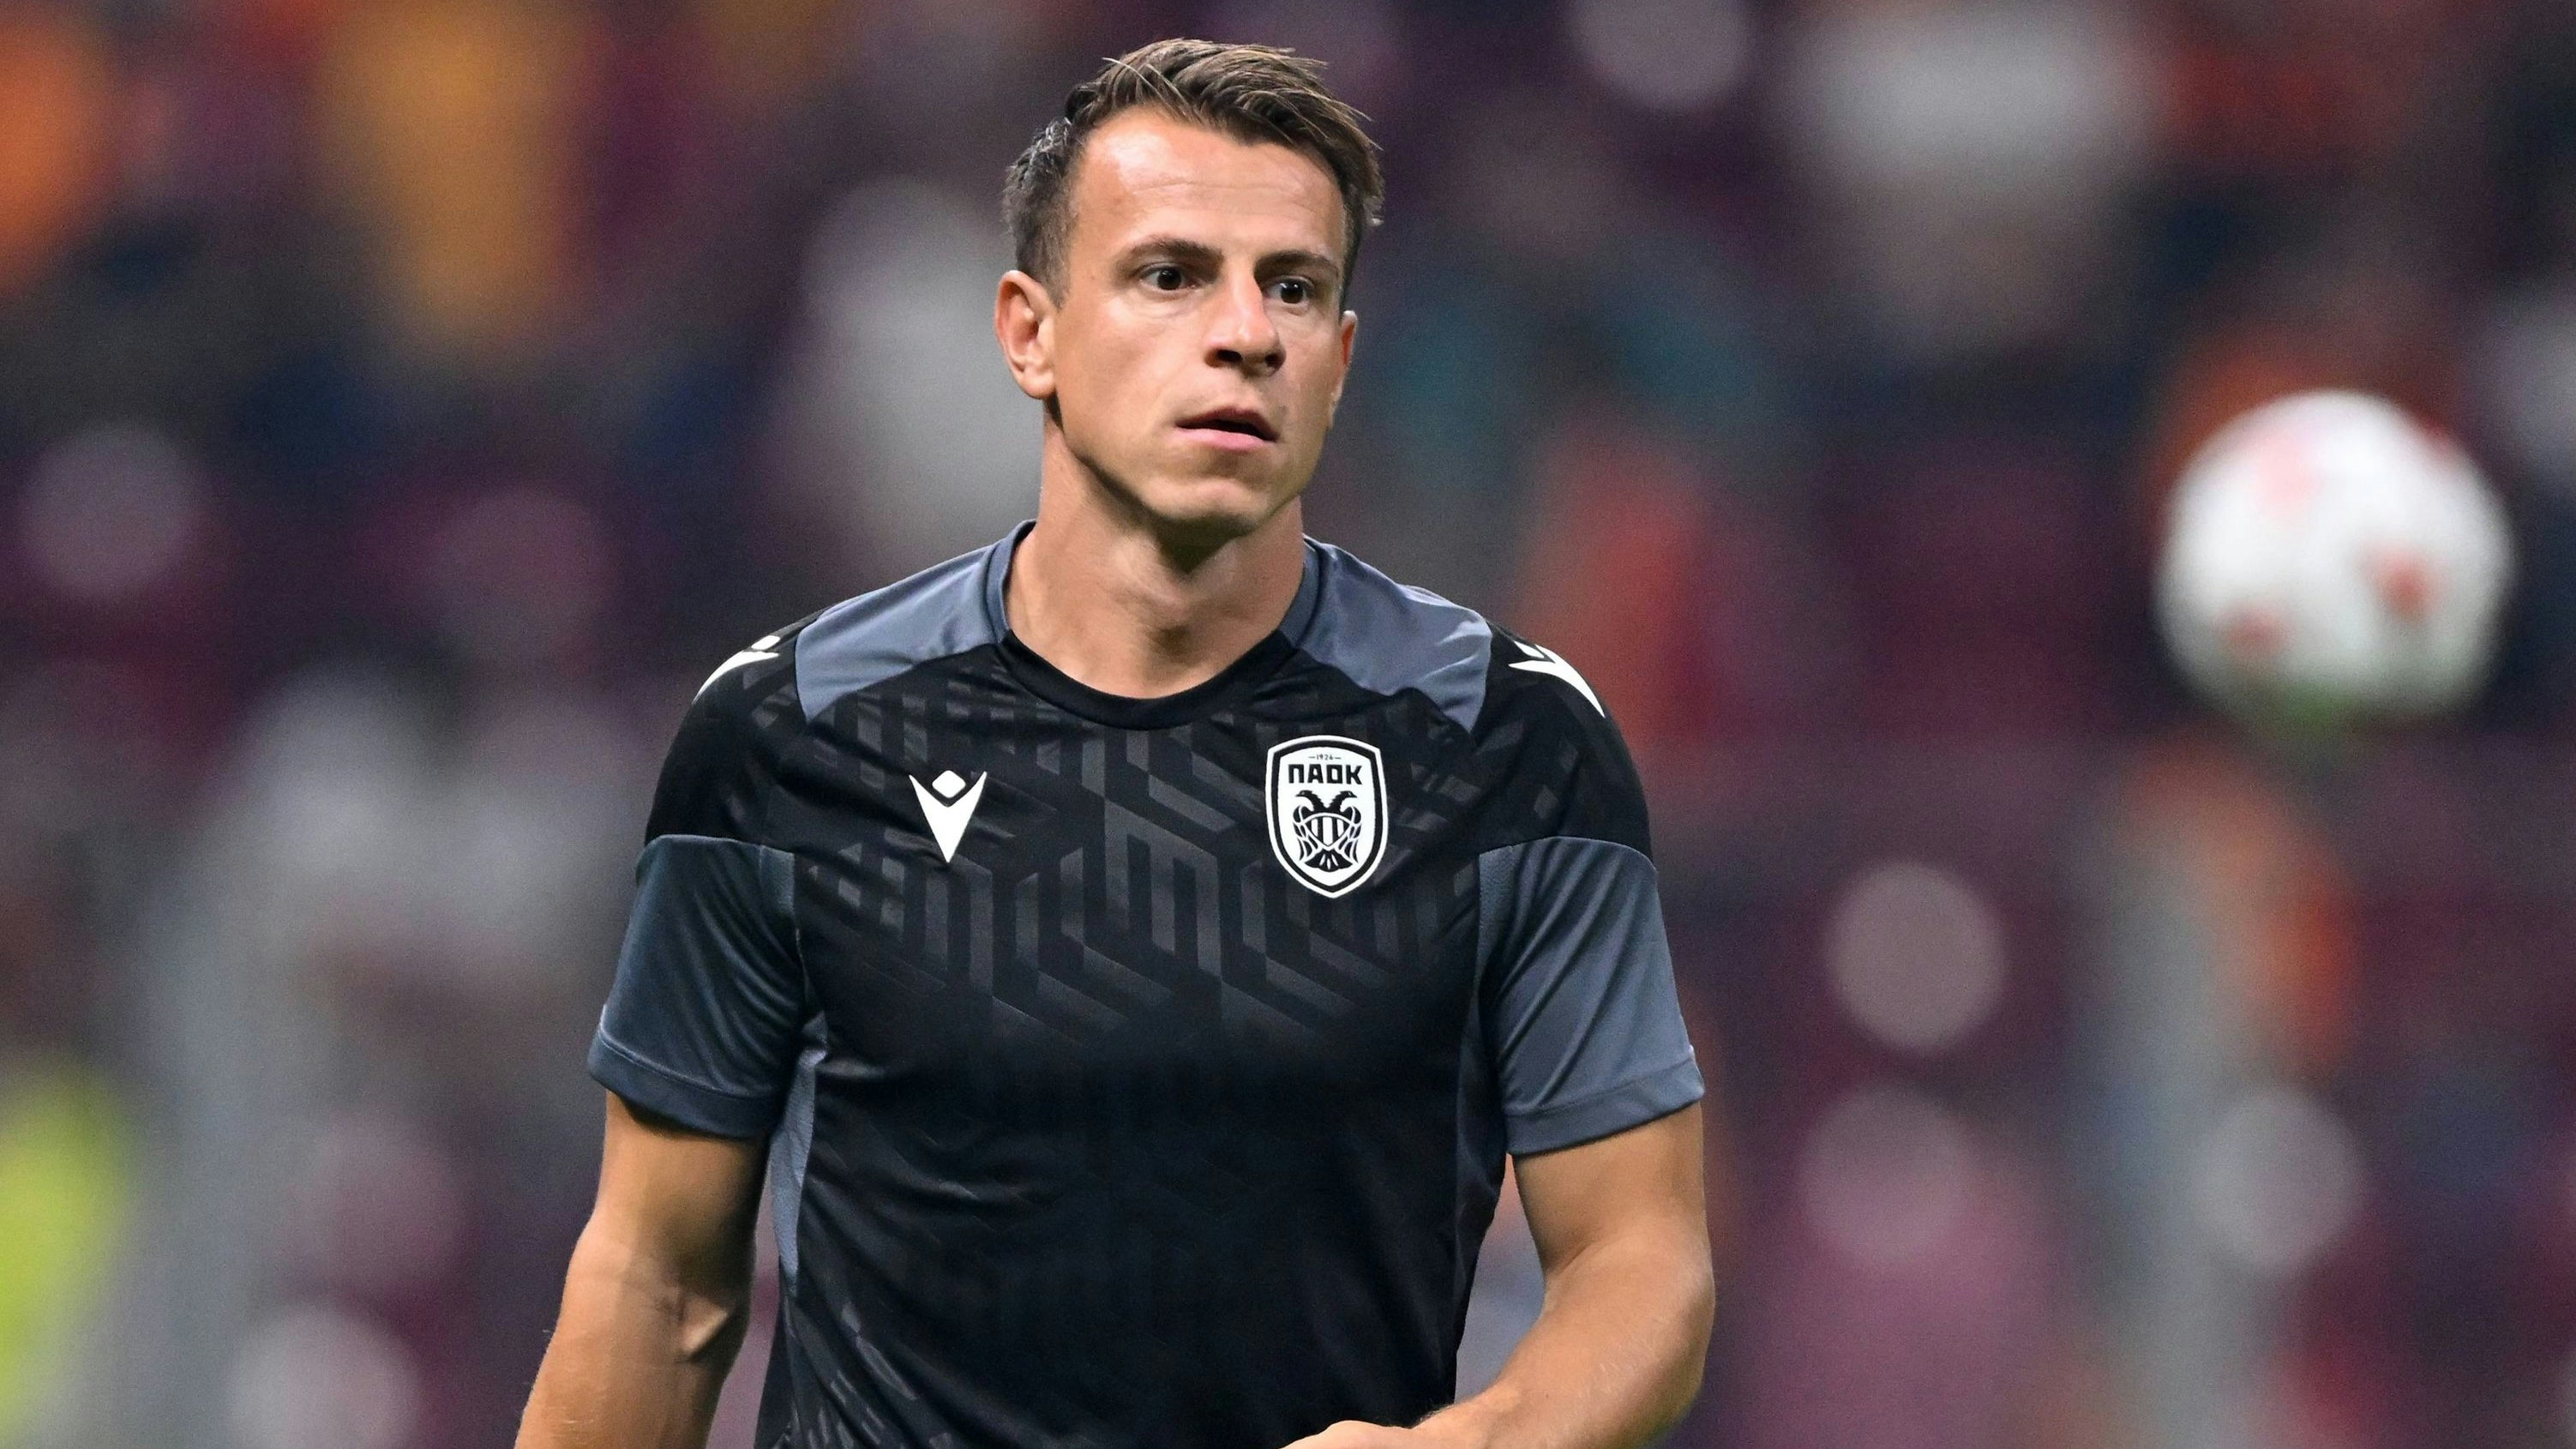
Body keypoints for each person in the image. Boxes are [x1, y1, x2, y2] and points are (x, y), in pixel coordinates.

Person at [516, 39, 1714, 1449]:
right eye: (1169, 276)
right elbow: (659, 1282)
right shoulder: (790, 733)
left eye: (1293, 288)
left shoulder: (1505, 740)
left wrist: (1473, 1444)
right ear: (1029, 333)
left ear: (1339, 360)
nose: (1243, 333)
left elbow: (1639, 1261)